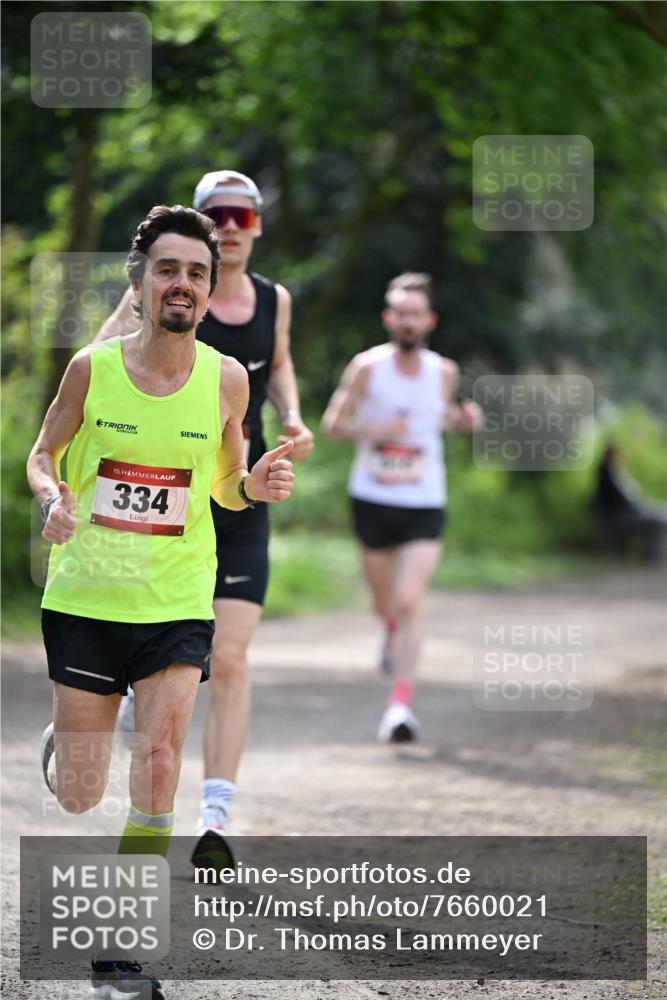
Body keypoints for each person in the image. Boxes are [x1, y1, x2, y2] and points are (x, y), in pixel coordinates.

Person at [28, 204, 295, 999]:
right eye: (168, 269)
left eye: (197, 273)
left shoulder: (226, 379)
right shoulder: (92, 368)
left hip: (177, 603)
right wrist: (51, 499)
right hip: (87, 600)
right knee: (80, 796)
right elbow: (43, 455)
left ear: (210, 290)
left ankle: (118, 951)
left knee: (159, 763)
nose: (183, 284)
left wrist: (253, 486)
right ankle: (69, 739)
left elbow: (225, 483)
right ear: (139, 281)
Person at [95, 171, 314, 855]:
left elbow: (278, 363)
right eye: (218, 214)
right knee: (142, 649)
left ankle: (215, 815)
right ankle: (111, 710)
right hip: (166, 496)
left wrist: (293, 415)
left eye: (243, 215)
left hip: (237, 495)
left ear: (257, 226)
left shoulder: (273, 300)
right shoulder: (170, 287)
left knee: (231, 654)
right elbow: (98, 362)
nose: (231, 225)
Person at [321, 272, 482, 743]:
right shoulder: (367, 367)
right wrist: (374, 431)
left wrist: (465, 420)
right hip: (372, 497)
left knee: (409, 598)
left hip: (424, 499)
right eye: (401, 313)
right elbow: (332, 424)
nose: (408, 321)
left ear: (429, 321)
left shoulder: (443, 371)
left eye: (416, 314)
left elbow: (444, 416)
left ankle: (399, 707)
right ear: (387, 318)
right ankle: (389, 628)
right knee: (382, 601)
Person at [591, 443, 667, 561]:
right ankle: (651, 554)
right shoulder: (607, 476)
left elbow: (630, 498)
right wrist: (643, 507)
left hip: (630, 512)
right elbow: (623, 500)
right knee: (659, 520)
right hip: (623, 517)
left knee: (662, 511)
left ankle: (652, 553)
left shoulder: (615, 474)